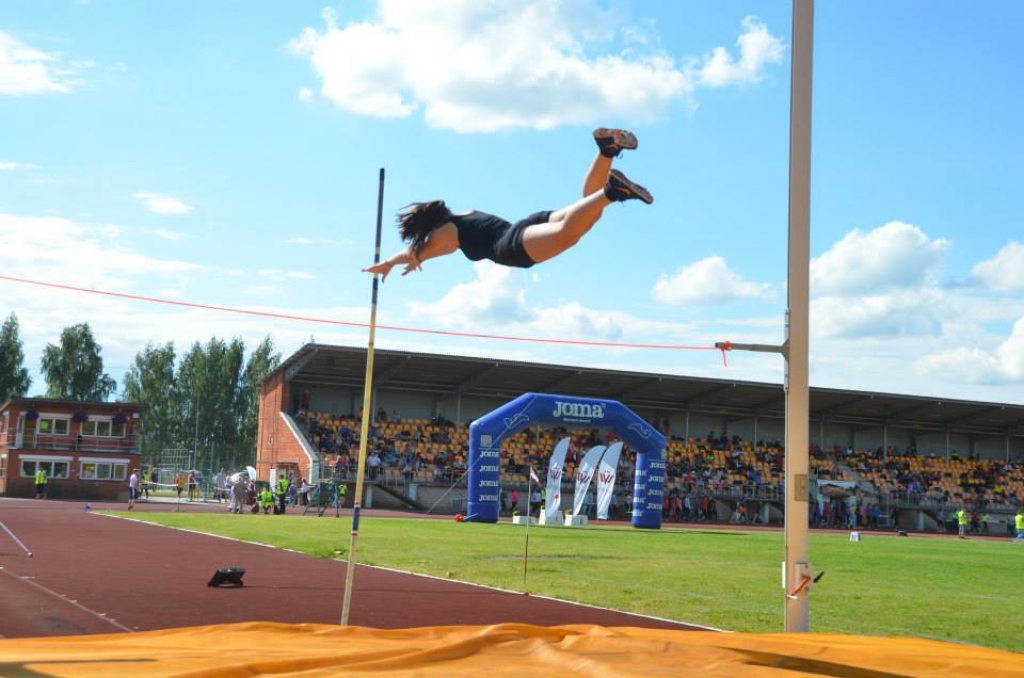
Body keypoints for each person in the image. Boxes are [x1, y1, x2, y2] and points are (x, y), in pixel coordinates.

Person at [363, 128, 652, 281]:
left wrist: (395, 261)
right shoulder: (465, 214)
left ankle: (612, 191)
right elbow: (420, 252)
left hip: (513, 246)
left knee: (568, 234)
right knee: (587, 213)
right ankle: (607, 151)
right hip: (525, 225)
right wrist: (413, 258)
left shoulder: (445, 232)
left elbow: (420, 251)